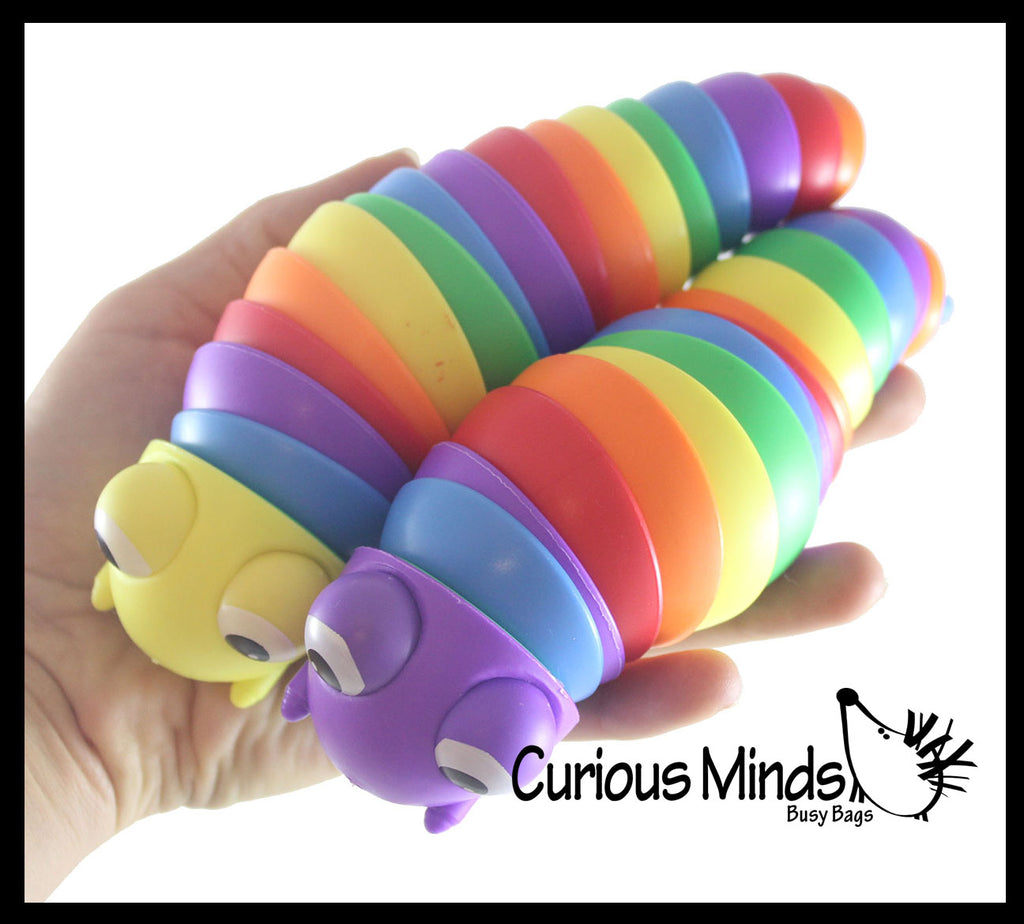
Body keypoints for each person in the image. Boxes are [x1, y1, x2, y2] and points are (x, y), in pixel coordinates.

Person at [24, 148, 926, 902]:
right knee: (805, 277)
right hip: (712, 490)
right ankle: (885, 261)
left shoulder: (421, 514)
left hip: (717, 490)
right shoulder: (431, 511)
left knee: (749, 197)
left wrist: (55, 712)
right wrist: (58, 729)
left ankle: (864, 244)